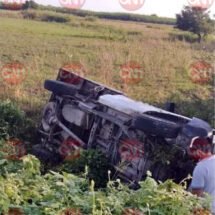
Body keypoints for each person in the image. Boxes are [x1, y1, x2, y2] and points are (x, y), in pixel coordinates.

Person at [189, 136, 215, 214]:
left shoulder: (201, 167)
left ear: (199, 151)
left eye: (192, 152)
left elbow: (195, 198)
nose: (191, 155)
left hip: (207, 211)